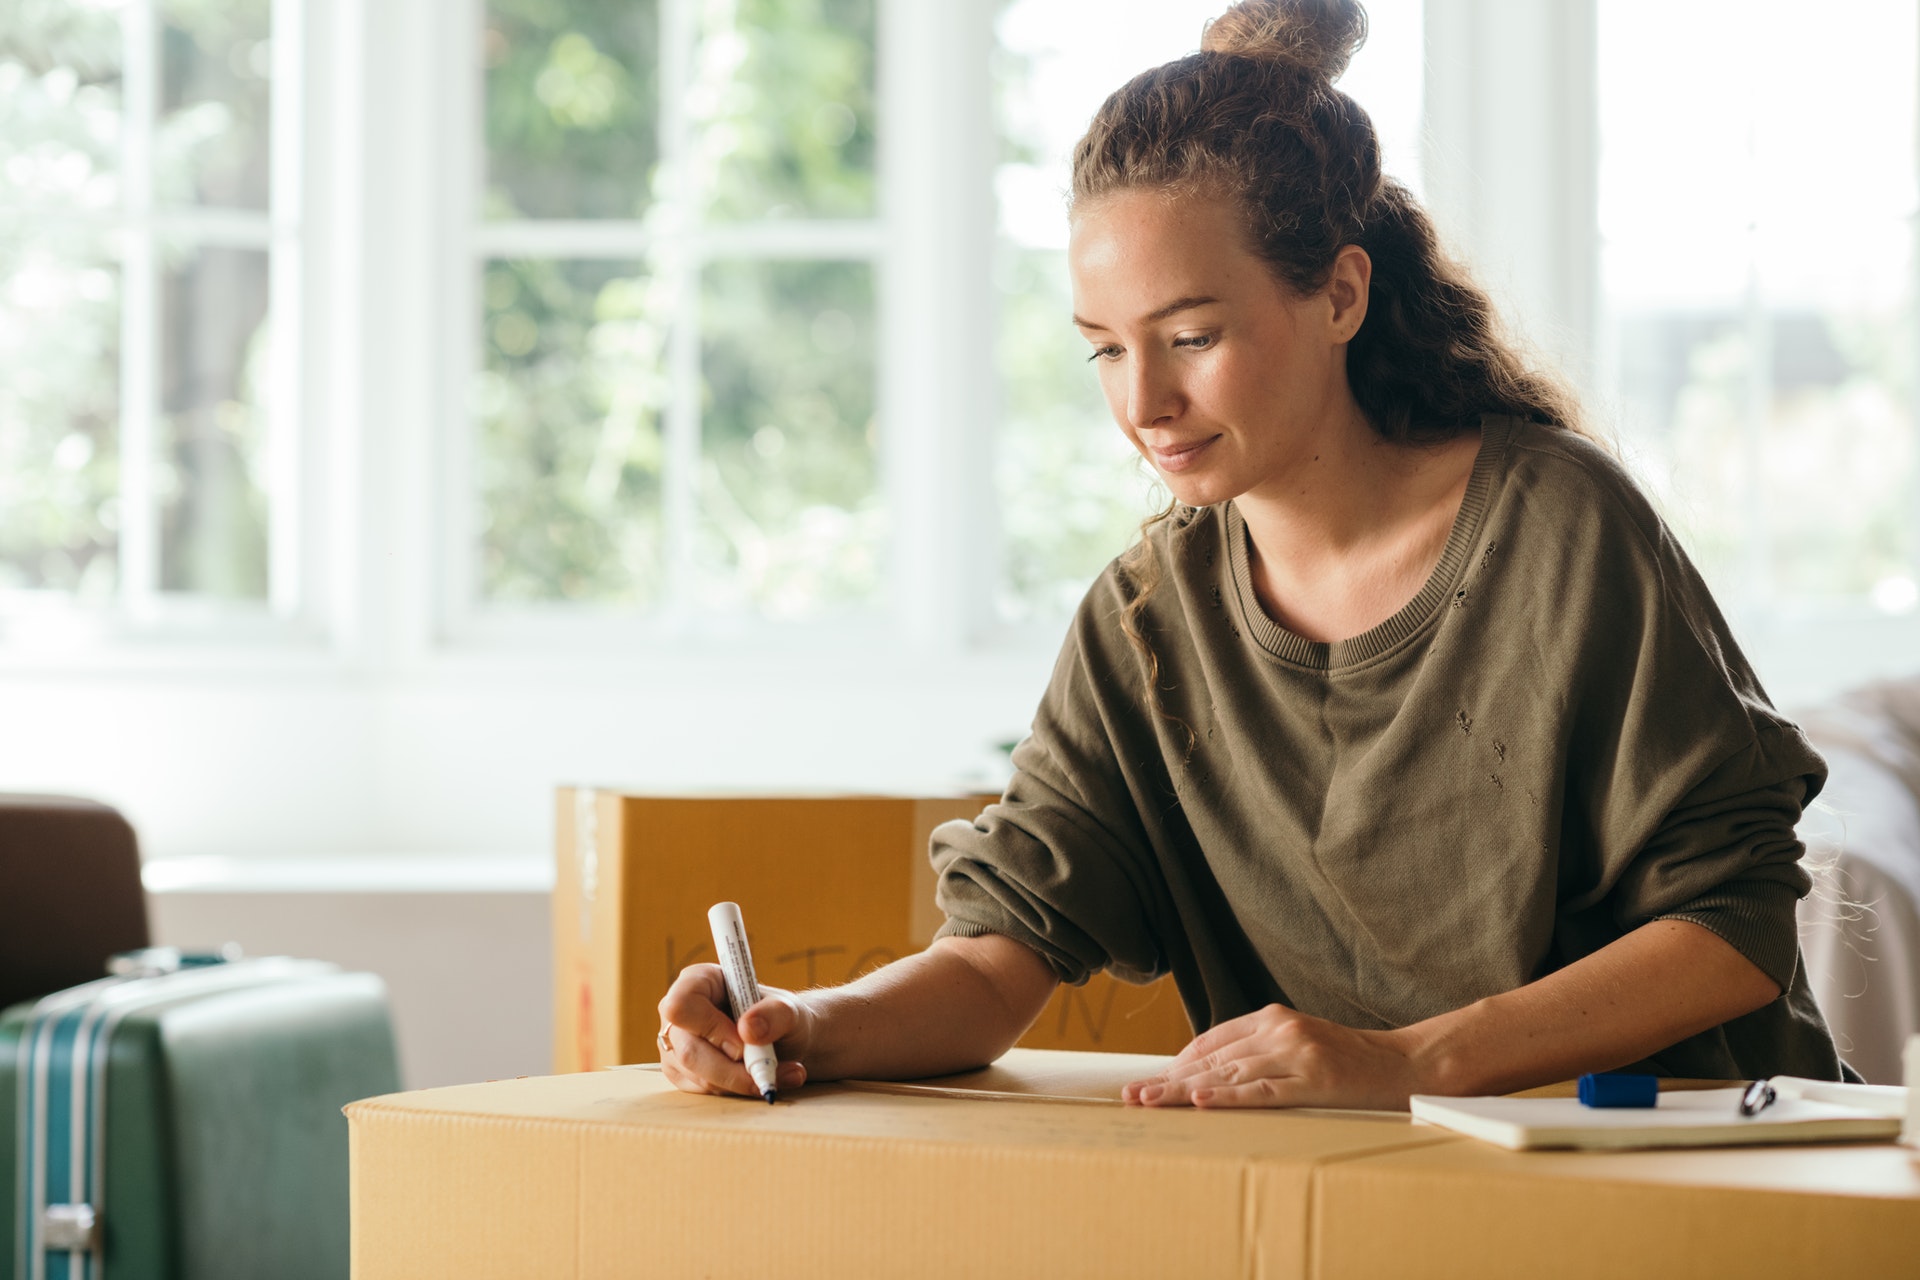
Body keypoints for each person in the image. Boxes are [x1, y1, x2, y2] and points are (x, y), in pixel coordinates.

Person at [658, 0, 1846, 1110]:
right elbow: (994, 964)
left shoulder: (1562, 526)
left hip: (1685, 1174)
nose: (1145, 402)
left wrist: (1405, 1060)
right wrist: (800, 1022)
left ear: (1340, 294)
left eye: (1191, 335)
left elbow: (1733, 923)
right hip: (1382, 1192)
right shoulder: (1145, 616)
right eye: (1105, 351)